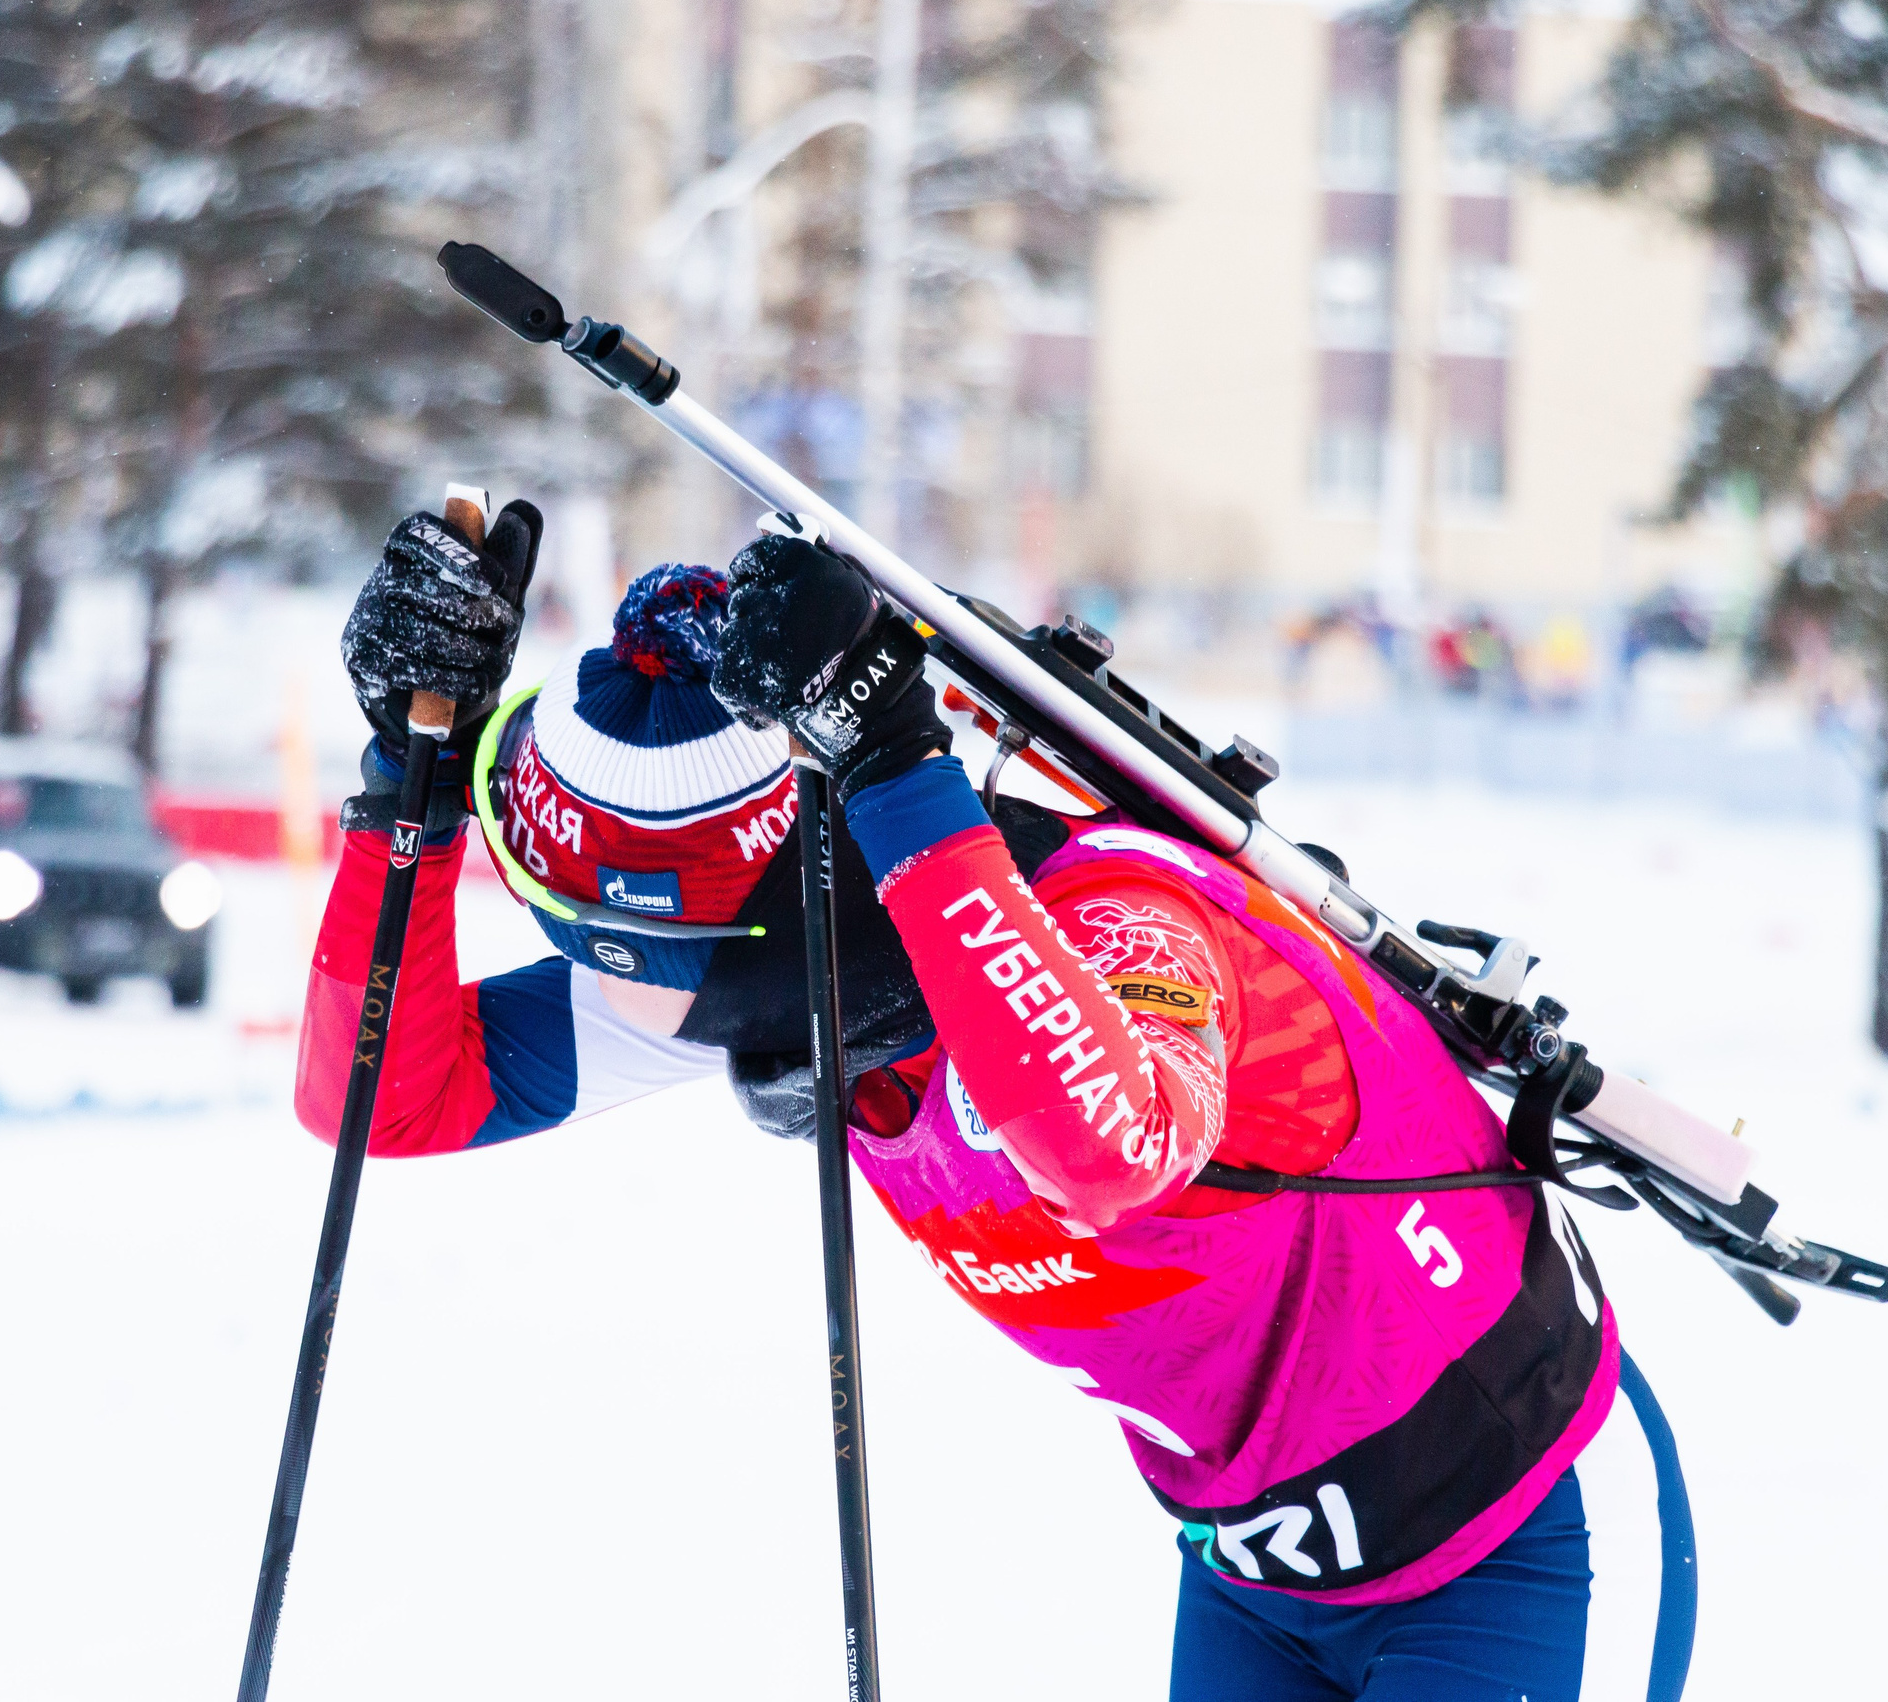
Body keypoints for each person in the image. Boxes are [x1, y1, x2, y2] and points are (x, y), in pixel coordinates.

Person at [299, 503, 1695, 1700]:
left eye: (641, 958)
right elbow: (391, 1094)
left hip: (1523, 1530)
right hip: (1262, 1575)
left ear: (795, 917)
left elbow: (1114, 1144)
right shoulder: (824, 988)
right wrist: (404, 794)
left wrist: (901, 774)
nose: (619, 998)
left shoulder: (1123, 923)